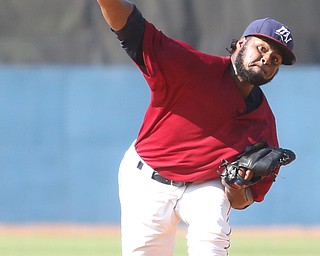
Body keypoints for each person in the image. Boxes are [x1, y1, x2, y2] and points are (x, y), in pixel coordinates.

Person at [96, 1, 296, 255]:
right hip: (147, 178)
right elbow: (131, 27)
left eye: (275, 59)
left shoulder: (264, 126)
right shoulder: (192, 68)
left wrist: (236, 184)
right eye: (262, 47)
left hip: (205, 185)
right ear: (242, 43)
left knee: (211, 239)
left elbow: (243, 201)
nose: (267, 58)